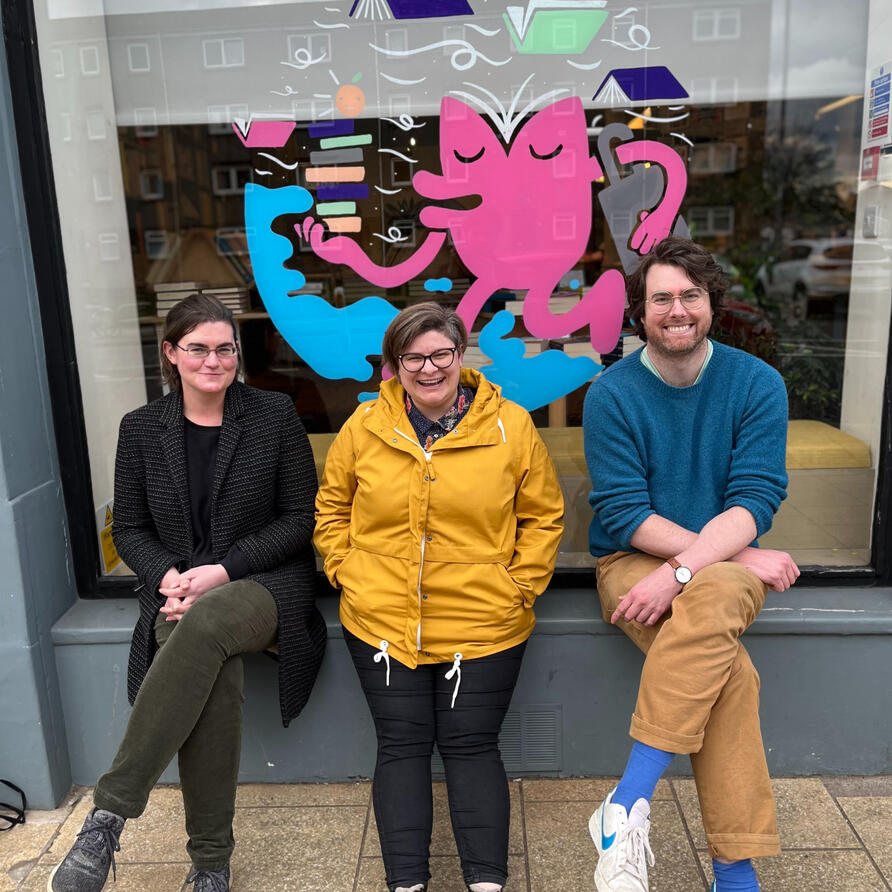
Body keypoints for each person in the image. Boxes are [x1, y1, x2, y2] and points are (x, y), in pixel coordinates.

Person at [50, 293, 326, 892]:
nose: (213, 361)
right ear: (171, 353)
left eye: (225, 348)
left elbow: (301, 517)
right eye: (198, 348)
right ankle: (210, 865)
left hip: (263, 583)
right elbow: (129, 528)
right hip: (177, 592)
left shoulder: (273, 414)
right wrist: (169, 576)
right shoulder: (141, 428)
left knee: (205, 625)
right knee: (211, 664)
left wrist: (222, 571)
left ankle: (108, 815)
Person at [314, 302, 564, 892]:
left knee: (471, 746)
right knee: (400, 747)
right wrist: (348, 570)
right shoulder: (363, 427)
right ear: (394, 366)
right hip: (379, 620)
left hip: (484, 623)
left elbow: (543, 517)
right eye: (413, 358)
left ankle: (486, 882)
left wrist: (516, 588)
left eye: (441, 354)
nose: (429, 368)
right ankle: (407, 882)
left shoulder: (511, 426)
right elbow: (331, 508)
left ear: (460, 354)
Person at [582, 237, 799, 892]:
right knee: (731, 675)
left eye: (690, 296)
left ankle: (627, 801)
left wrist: (686, 569)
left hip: (705, 568)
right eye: (661, 299)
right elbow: (625, 512)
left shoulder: (756, 384)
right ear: (640, 313)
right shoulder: (611, 394)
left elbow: (755, 497)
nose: (676, 310)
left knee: (719, 594)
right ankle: (735, 874)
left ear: (711, 304)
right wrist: (730, 555)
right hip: (632, 560)